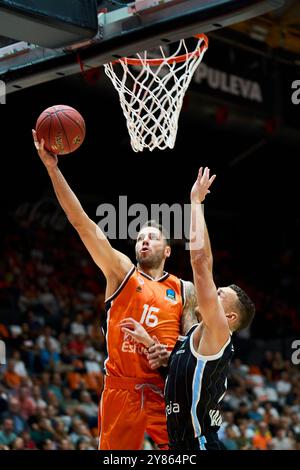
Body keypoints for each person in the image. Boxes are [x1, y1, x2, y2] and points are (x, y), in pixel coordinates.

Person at [32, 131, 198, 450]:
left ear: (167, 251)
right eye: (140, 238)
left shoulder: (184, 289)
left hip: (164, 386)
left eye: (152, 237)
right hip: (121, 388)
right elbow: (82, 223)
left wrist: (172, 354)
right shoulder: (120, 271)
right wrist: (53, 169)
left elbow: (192, 345)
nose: (144, 240)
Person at [120, 167, 255, 450]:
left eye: (220, 295)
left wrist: (195, 203)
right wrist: (150, 344)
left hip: (200, 444)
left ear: (228, 317)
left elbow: (201, 266)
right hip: (181, 445)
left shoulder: (218, 331)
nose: (212, 293)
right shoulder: (195, 335)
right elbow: (182, 377)